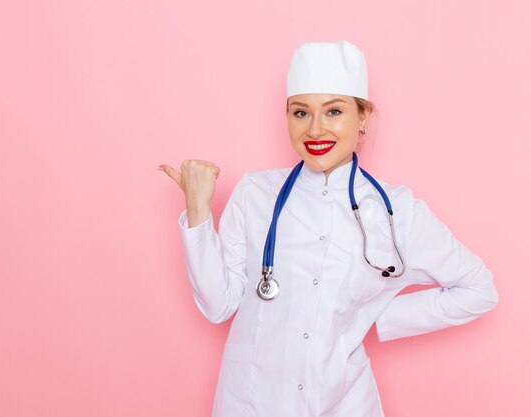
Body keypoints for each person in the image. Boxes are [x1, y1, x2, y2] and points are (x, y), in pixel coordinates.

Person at [158, 40, 499, 417]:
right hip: (251, 401)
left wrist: (382, 318)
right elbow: (218, 305)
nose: (315, 129)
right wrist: (197, 210)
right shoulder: (256, 193)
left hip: (345, 403)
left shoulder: (398, 210)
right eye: (301, 113)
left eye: (334, 111)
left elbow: (478, 289)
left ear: (364, 116)